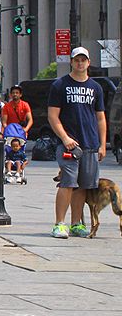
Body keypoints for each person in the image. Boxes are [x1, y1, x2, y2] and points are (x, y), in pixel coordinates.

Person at [48, 46, 108, 238]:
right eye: (77, 60)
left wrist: (102, 144)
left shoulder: (95, 87)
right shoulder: (60, 85)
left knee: (83, 185)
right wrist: (65, 138)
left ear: (88, 63)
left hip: (90, 144)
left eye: (83, 60)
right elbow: (53, 116)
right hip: (68, 144)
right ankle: (59, 224)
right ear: (71, 62)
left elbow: (100, 117)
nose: (80, 63)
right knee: (67, 182)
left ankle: (76, 224)